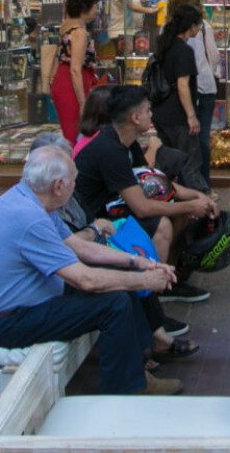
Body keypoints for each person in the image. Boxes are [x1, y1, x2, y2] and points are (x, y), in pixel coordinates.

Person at [0, 144, 181, 395]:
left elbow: (80, 248)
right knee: (115, 303)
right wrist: (146, 281)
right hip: (7, 322)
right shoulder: (31, 218)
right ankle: (125, 389)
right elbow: (86, 280)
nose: (75, 186)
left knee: (118, 281)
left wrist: (136, 262)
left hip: (24, 304)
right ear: (59, 186)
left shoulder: (30, 199)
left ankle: (137, 370)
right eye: (73, 180)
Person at [26, 131, 196, 352]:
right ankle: (145, 352)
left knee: (131, 267)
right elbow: (71, 251)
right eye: (70, 175)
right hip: (48, 283)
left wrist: (136, 262)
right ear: (57, 182)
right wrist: (95, 232)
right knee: (119, 288)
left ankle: (154, 337)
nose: (75, 180)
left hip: (69, 262)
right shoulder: (39, 210)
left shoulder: (53, 200)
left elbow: (78, 238)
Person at [74, 86, 219, 302]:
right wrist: (190, 206)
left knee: (177, 214)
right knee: (162, 225)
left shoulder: (126, 141)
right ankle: (151, 298)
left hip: (114, 207)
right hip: (94, 220)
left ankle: (168, 279)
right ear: (135, 117)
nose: (151, 115)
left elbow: (158, 182)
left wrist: (198, 197)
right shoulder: (110, 149)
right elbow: (142, 208)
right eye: (148, 110)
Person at [167, 0, 217, 185]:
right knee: (202, 138)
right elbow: (213, 56)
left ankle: (182, 183)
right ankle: (203, 183)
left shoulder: (167, 29)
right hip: (204, 86)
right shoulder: (204, 27)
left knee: (182, 138)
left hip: (177, 91)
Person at [150, 3, 204, 157]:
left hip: (161, 113)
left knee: (169, 164)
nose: (199, 29)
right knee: (189, 166)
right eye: (198, 25)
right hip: (178, 117)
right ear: (192, 26)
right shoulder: (184, 51)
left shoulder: (164, 45)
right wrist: (191, 116)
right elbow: (183, 85)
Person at [50, 0, 102, 145]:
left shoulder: (66, 25)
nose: (97, 10)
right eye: (94, 6)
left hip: (63, 81)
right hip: (72, 86)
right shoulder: (79, 32)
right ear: (84, 7)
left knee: (71, 133)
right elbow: (75, 69)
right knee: (75, 134)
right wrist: (82, 103)